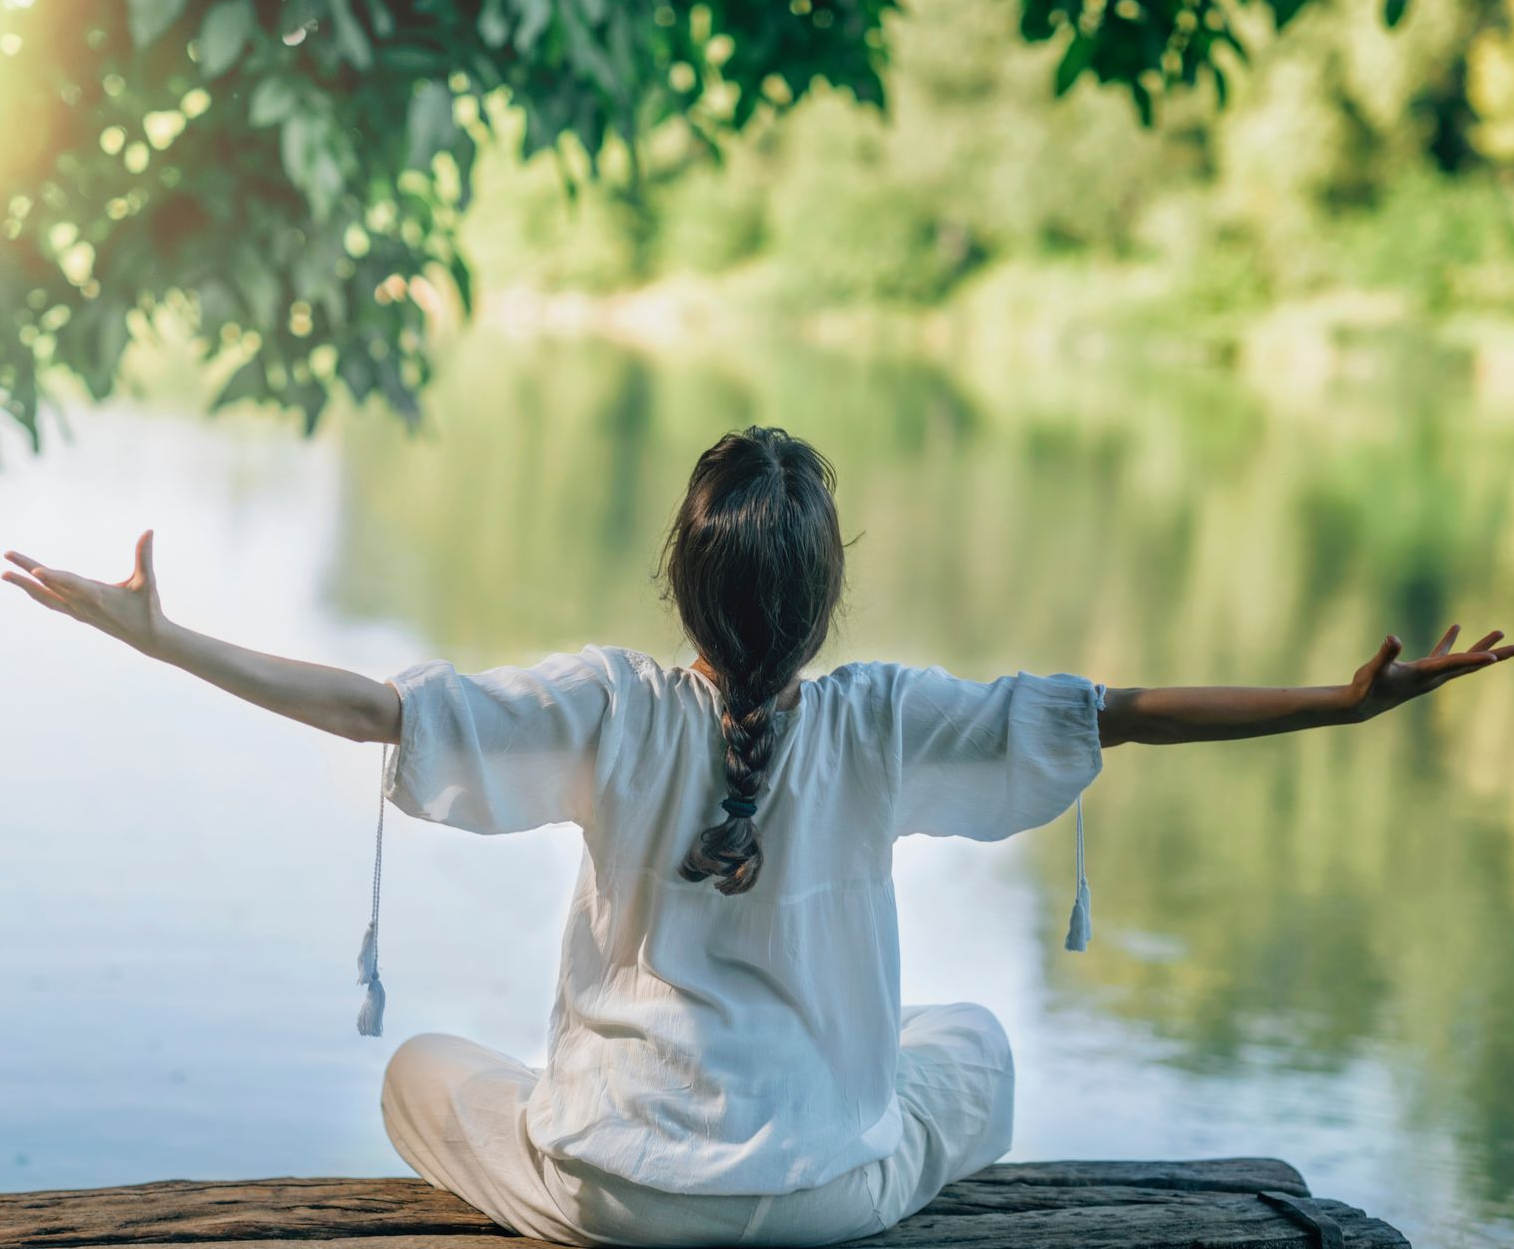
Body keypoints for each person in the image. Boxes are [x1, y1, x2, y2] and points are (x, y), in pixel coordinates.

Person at [4, 424, 1509, 1248]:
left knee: (419, 1075)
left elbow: (366, 710)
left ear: (680, 577)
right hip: (821, 1198)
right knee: (971, 1043)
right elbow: (1116, 711)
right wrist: (1338, 704)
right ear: (827, 588)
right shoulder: (889, 717)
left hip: (613, 1196)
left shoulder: (603, 705)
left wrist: (165, 640)